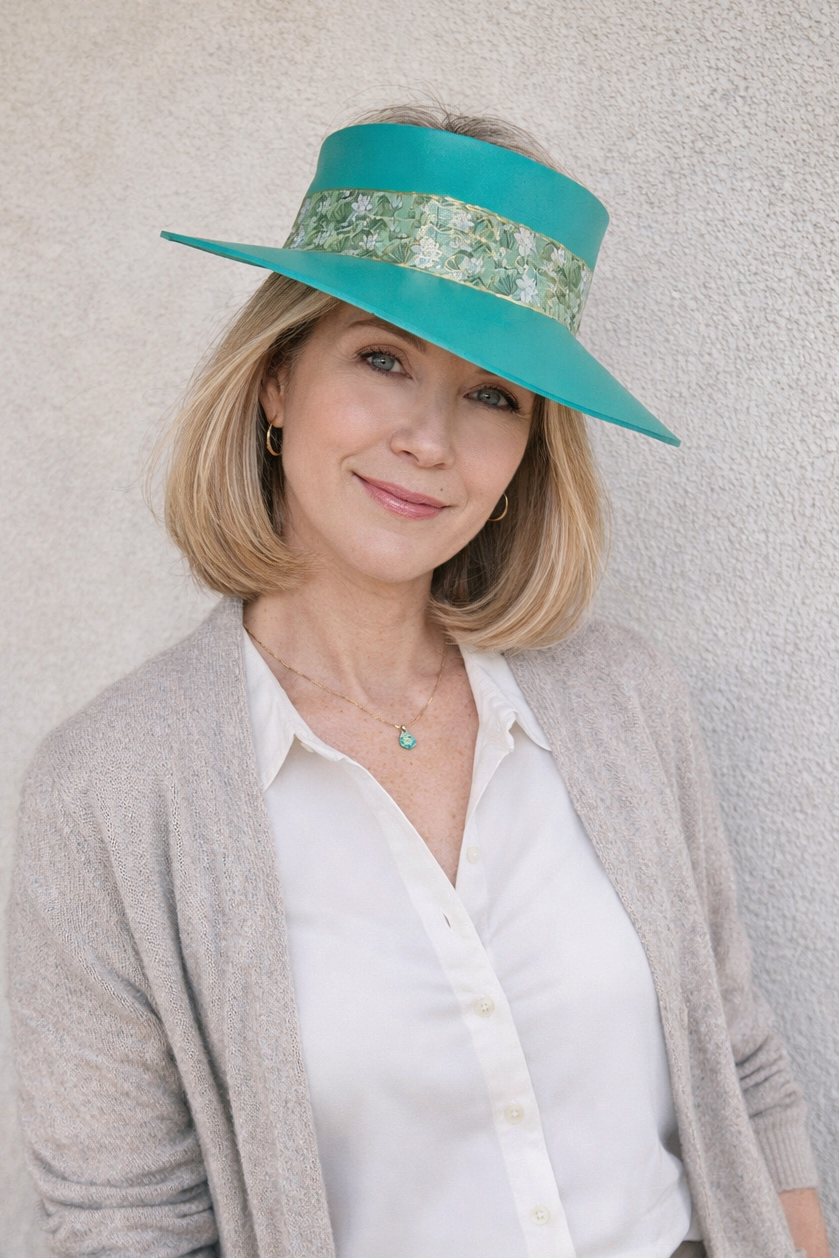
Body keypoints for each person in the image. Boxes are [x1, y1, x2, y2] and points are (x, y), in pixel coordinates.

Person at [8, 105, 830, 1258]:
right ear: (277, 380)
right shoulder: (107, 790)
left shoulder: (625, 700)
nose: (429, 440)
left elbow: (737, 1068)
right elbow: (124, 1222)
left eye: (492, 394)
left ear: (529, 449)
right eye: (382, 358)